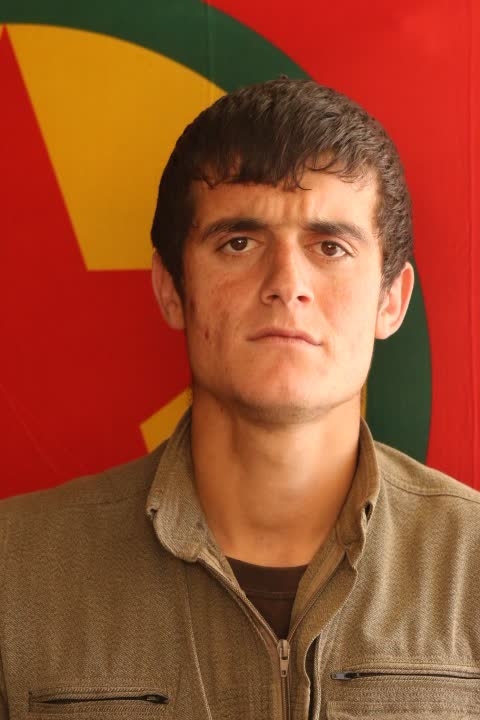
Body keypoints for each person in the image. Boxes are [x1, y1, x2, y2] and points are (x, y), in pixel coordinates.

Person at [1, 79, 480, 720]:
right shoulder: (15, 571)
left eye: (330, 247)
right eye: (239, 243)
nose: (286, 283)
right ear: (172, 290)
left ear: (391, 300)